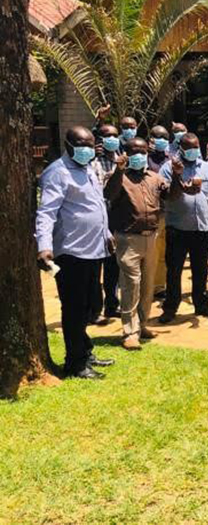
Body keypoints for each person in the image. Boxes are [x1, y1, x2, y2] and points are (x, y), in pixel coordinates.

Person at [35, 126, 115, 379]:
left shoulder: (88, 168)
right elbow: (46, 212)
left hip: (94, 250)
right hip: (71, 252)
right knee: (74, 308)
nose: (87, 149)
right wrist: (44, 246)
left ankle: (85, 350)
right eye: (82, 144)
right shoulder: (57, 173)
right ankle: (76, 364)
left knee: (92, 305)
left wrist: (107, 235)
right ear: (68, 144)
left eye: (91, 145)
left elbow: (96, 205)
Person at [104, 137, 168, 349]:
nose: (139, 155)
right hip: (128, 239)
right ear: (127, 154)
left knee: (148, 284)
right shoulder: (118, 177)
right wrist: (119, 170)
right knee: (131, 284)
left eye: (143, 151)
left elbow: (172, 196)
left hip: (151, 237)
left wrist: (176, 176)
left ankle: (142, 324)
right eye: (134, 151)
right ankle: (129, 332)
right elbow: (109, 194)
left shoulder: (154, 177)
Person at [158, 133, 208, 323]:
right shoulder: (169, 168)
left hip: (201, 228)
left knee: (201, 269)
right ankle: (170, 307)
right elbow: (167, 196)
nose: (193, 151)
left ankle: (201, 304)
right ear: (181, 148)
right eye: (189, 148)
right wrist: (179, 179)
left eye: (196, 147)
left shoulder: (205, 167)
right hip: (177, 228)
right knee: (175, 270)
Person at [91, 124, 122, 323]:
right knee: (95, 268)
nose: (113, 138)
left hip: (116, 219)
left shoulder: (120, 159)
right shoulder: (92, 163)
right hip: (98, 219)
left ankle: (112, 304)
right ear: (100, 140)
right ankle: (95, 310)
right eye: (108, 136)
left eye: (115, 135)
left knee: (113, 267)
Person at [147, 125, 171, 298]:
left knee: (165, 252)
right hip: (152, 212)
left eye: (165, 137)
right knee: (152, 252)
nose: (161, 141)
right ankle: (148, 286)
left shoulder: (172, 160)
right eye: (158, 137)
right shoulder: (144, 160)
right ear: (151, 140)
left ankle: (160, 286)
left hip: (170, 212)